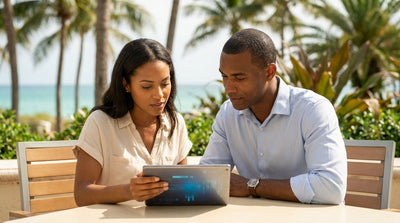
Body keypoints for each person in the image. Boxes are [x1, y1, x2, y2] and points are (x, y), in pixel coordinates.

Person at [200, 28, 347, 204]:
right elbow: (208, 177)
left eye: (239, 78)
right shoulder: (227, 113)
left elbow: (331, 188)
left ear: (270, 72)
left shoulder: (313, 110)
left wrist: (251, 186)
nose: (229, 88)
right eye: (224, 76)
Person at [73, 39, 192, 206]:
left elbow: (183, 188)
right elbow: (81, 194)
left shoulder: (176, 123)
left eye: (165, 83)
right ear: (126, 84)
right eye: (146, 86)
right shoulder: (100, 123)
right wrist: (129, 191)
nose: (159, 94)